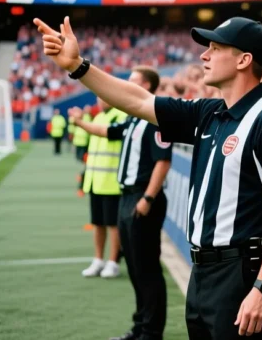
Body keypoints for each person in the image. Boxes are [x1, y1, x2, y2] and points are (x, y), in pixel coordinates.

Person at [34, 15, 262, 340]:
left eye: (215, 48)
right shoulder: (210, 112)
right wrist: (78, 66)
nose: (204, 55)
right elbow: (138, 100)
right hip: (203, 272)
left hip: (244, 272)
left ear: (244, 60)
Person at [70, 66, 172, 340]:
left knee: (147, 269)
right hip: (126, 196)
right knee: (136, 268)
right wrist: (80, 123)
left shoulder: (155, 118)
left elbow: (163, 162)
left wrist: (148, 198)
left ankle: (151, 332)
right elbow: (106, 131)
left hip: (142, 197)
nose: (127, 83)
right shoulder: (133, 119)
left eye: (134, 80)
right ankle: (140, 327)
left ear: (147, 86)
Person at [80, 97, 127, 279]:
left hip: (112, 182)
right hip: (96, 181)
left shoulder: (120, 116)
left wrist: (79, 122)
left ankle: (113, 262)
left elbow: (108, 134)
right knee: (98, 223)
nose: (100, 99)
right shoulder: (99, 117)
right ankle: (98, 259)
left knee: (113, 225)